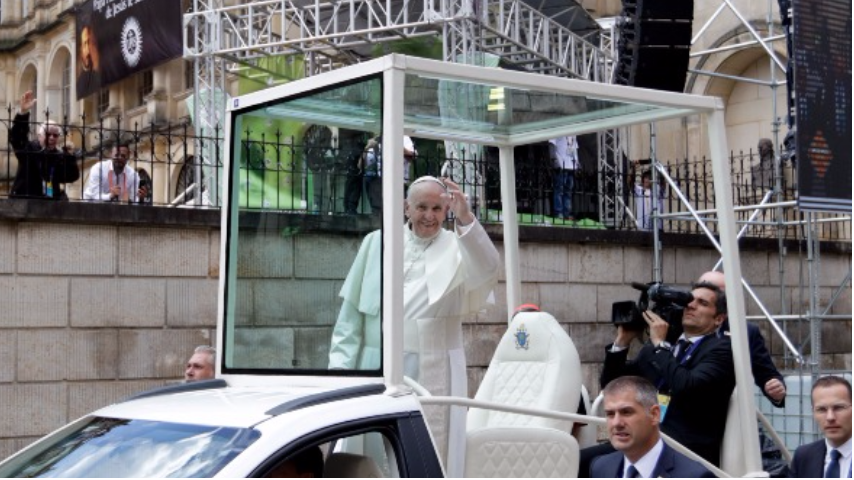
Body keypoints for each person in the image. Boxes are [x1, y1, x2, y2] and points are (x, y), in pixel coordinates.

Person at [328, 175, 500, 475]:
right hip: (374, 363)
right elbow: (351, 318)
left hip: (434, 366)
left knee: (426, 454)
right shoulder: (376, 242)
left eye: (437, 208)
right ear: (407, 207)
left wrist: (465, 216)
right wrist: (340, 372)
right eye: (422, 207)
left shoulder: (458, 246)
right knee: (371, 452)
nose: (429, 216)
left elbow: (488, 267)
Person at [599, 281, 736, 466]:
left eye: (702, 303)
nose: (691, 305)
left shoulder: (721, 350)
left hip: (683, 448)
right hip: (642, 441)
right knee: (580, 460)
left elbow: (687, 386)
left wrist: (660, 345)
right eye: (689, 300)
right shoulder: (657, 348)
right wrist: (623, 340)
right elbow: (612, 387)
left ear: (719, 319)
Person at [590, 376, 713, 478]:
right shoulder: (600, 467)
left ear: (654, 414)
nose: (617, 423)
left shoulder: (694, 475)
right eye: (610, 414)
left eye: (626, 412)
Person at [698, 270, 787, 407]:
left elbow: (767, 374)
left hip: (726, 414)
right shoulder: (676, 326)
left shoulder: (744, 332)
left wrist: (775, 388)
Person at [8, 91, 81, 200]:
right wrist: (23, 113)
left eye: (55, 135)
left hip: (50, 202)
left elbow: (71, 176)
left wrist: (69, 156)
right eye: (48, 134)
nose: (52, 137)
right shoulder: (30, 149)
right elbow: (17, 138)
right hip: (26, 201)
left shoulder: (59, 154)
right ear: (39, 135)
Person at [786, 376, 852, 478]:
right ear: (813, 412)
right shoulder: (804, 456)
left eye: (838, 408)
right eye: (821, 409)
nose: (830, 417)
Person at [83, 143, 148, 202]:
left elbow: (133, 199)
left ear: (128, 155)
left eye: (123, 156)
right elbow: (95, 195)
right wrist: (110, 195)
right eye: (116, 155)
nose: (119, 158)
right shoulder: (98, 168)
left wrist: (141, 198)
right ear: (111, 154)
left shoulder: (133, 175)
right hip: (91, 204)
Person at [549, 135, 579, 221]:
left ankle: (566, 214)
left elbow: (575, 149)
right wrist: (554, 161)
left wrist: (577, 163)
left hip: (571, 167)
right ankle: (559, 213)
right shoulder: (558, 129)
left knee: (568, 192)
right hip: (561, 165)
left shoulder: (574, 133)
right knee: (559, 190)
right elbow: (552, 145)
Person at [76, 24, 101, 98]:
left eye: (92, 43)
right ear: (81, 50)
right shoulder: (81, 82)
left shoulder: (105, 74)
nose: (88, 49)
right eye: (85, 44)